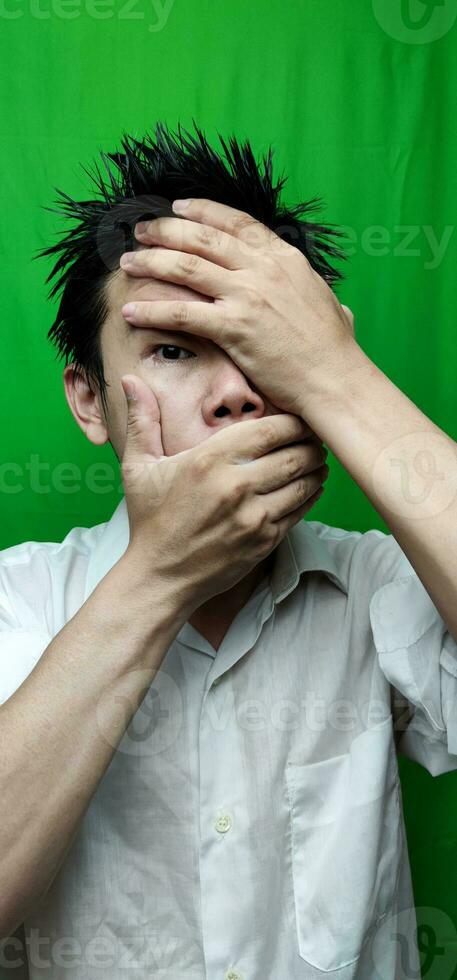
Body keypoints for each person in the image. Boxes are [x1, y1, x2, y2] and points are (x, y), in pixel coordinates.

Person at [1, 121, 456, 980]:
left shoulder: (375, 585)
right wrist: (161, 574)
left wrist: (336, 373)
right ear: (91, 403)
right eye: (174, 352)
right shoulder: (15, 601)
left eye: (263, 351)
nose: (233, 398)